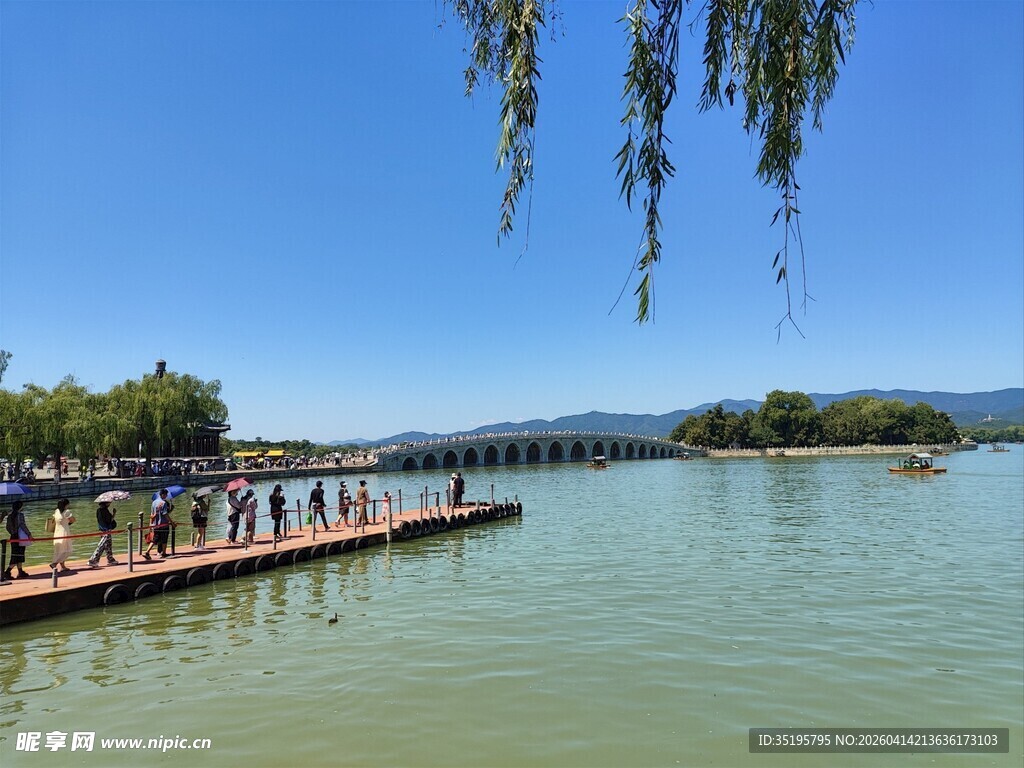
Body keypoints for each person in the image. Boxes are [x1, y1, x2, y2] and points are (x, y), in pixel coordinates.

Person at [2, 501, 31, 579]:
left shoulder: (9, 516)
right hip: (20, 537)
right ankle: (7, 572)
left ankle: (20, 571)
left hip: (13, 537)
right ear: (20, 507)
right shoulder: (20, 515)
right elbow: (22, 525)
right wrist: (29, 534)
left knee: (16, 554)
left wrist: (12, 532)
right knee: (18, 554)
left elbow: (7, 528)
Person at [87, 500, 119, 568]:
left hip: (102, 530)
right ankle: (93, 560)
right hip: (106, 530)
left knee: (108, 545)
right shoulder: (105, 511)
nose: (110, 503)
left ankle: (110, 559)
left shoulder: (98, 510)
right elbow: (110, 520)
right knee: (102, 545)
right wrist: (114, 513)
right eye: (109, 502)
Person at [144, 488, 172, 559]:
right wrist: (171, 522)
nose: (166, 496)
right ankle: (164, 553)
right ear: (163, 494)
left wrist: (151, 524)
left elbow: (152, 513)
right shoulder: (164, 503)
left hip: (155, 524)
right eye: (166, 495)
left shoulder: (154, 502)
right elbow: (165, 514)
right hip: (163, 524)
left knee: (155, 539)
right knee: (164, 538)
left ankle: (147, 551)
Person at [50, 498, 76, 572]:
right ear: (66, 505)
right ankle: (54, 563)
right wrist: (67, 523)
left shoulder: (56, 511)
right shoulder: (66, 512)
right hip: (64, 532)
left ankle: (63, 566)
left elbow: (53, 520)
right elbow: (73, 519)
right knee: (67, 549)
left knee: (59, 549)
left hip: (57, 532)